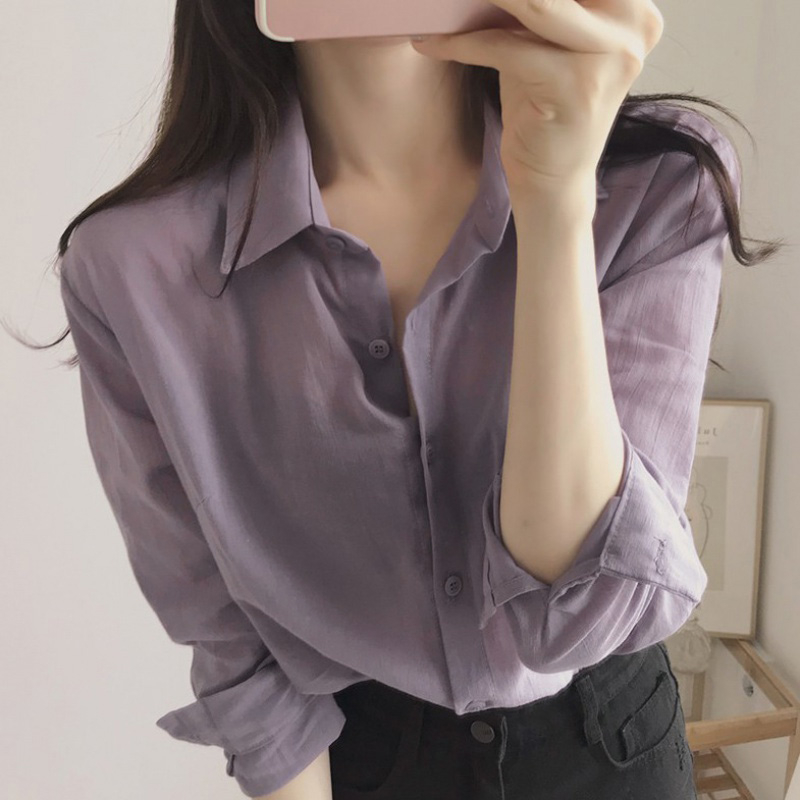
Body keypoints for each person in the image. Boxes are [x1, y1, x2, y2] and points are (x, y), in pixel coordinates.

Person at [49, 1, 764, 798]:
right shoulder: (130, 267)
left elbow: (576, 613)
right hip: (362, 755)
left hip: (608, 737)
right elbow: (232, 646)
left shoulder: (658, 183)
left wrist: (557, 205)